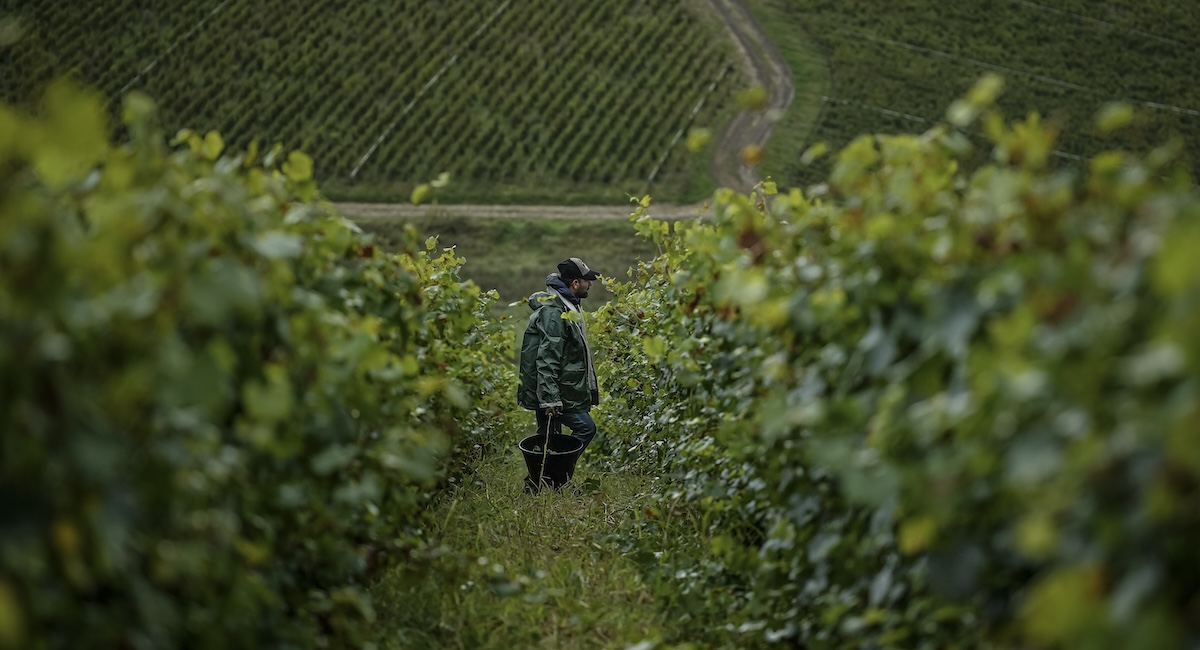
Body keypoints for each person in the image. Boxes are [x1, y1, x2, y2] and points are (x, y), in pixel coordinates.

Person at [517, 257, 601, 493]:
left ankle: (536, 486)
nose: (590, 285)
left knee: (548, 438)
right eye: (587, 281)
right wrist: (550, 398)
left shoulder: (566, 304)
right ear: (575, 283)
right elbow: (547, 358)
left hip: (554, 387)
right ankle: (557, 481)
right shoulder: (555, 311)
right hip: (555, 389)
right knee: (586, 428)